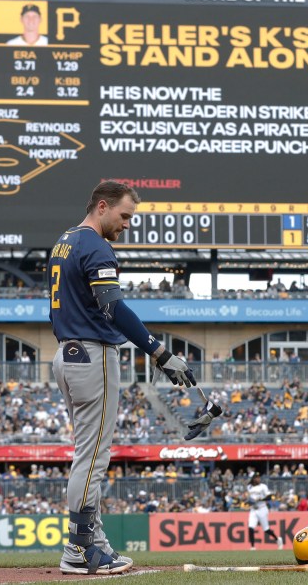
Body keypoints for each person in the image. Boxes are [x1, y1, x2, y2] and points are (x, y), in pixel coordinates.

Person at [49, 180, 196, 575]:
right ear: (102, 206)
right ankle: (79, 549)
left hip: (68, 352)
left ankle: (93, 542)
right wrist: (160, 352)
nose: (128, 223)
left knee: (87, 452)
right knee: (93, 457)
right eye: (125, 215)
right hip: (91, 355)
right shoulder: (96, 245)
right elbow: (112, 306)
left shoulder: (64, 240)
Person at [246, 473, 283, 550]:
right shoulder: (249, 487)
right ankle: (252, 547)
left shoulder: (263, 486)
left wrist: (260, 499)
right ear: (253, 479)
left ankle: (277, 539)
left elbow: (269, 497)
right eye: (256, 477)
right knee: (250, 527)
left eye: (259, 477)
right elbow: (249, 498)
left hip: (262, 508)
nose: (258, 479)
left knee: (266, 529)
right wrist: (248, 501)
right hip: (253, 509)